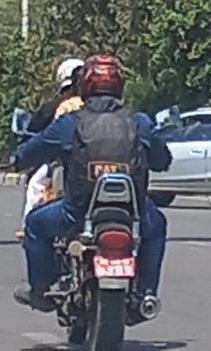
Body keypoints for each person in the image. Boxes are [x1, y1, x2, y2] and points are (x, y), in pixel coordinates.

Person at [12, 55, 171, 317]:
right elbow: (162, 159)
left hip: (76, 214)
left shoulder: (69, 123)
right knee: (157, 227)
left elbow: (32, 151)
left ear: (84, 86)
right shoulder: (139, 122)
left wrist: (16, 159)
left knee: (35, 226)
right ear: (120, 86)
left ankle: (41, 289)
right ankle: (146, 292)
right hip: (133, 215)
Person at [18, 57, 87, 236]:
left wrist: (20, 157)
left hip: (64, 164)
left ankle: (27, 228)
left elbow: (37, 137)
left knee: (35, 186)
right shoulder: (118, 113)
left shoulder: (56, 109)